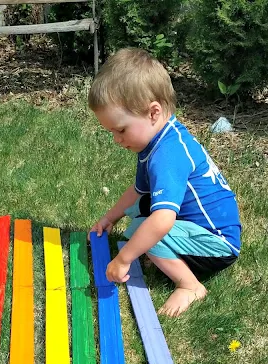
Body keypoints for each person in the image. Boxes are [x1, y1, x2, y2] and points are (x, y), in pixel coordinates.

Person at [88, 48, 241, 317]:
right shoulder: (156, 140)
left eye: (121, 129)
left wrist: (124, 259)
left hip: (218, 245)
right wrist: (109, 218)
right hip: (196, 225)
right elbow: (139, 192)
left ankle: (190, 285)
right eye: (111, 132)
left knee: (143, 231)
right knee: (140, 215)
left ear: (153, 113)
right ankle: (169, 254)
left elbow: (161, 221)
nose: (116, 139)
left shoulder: (167, 155)